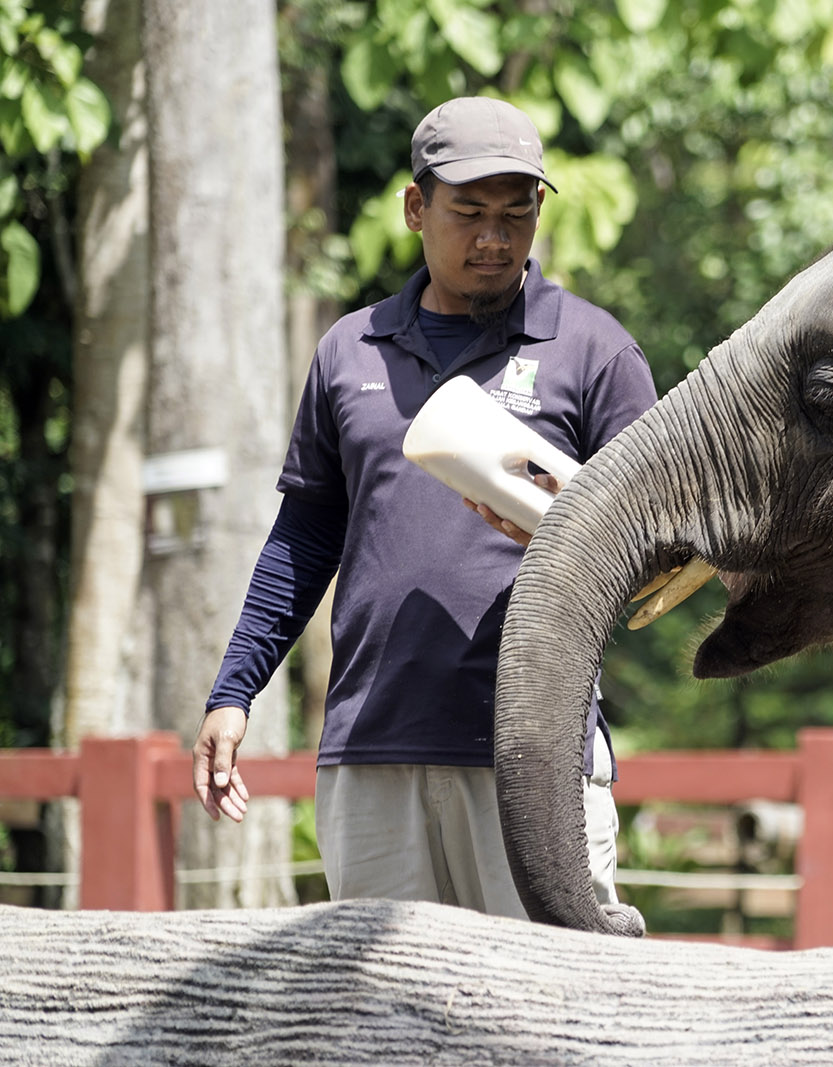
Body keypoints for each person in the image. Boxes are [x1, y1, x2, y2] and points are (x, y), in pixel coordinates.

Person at [192, 96, 658, 918]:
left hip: (533, 750)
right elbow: (304, 538)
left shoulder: (594, 351)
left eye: (517, 213)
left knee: (553, 992)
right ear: (416, 208)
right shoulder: (349, 352)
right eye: (469, 213)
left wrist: (573, 536)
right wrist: (234, 691)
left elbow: (666, 555)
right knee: (381, 997)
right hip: (371, 752)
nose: (495, 238)